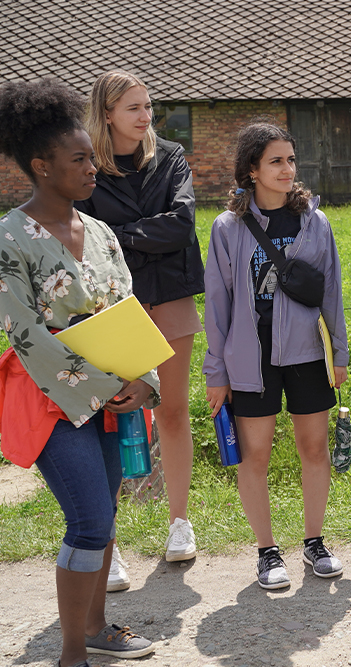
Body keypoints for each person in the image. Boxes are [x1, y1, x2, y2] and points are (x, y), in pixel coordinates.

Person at [0, 78, 160, 666]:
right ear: (41, 167)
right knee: (89, 518)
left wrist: (144, 380)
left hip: (115, 396)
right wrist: (103, 384)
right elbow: (25, 333)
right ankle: (71, 654)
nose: (94, 168)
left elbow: (129, 312)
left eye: (93, 157)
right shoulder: (9, 238)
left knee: (106, 513)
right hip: (51, 398)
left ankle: (96, 628)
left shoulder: (100, 233)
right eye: (79, 160)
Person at [203, 122, 348, 590]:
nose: (287, 169)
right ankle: (266, 551)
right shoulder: (227, 228)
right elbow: (217, 303)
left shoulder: (315, 222)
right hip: (252, 358)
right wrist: (216, 370)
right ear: (252, 169)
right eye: (276, 161)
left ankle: (314, 542)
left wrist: (339, 353)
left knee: (314, 449)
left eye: (291, 160)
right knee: (256, 455)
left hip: (308, 353)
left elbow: (332, 292)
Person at [75, 71, 204, 590]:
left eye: (148, 106)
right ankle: (109, 542)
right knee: (111, 416)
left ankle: (180, 523)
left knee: (172, 410)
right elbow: (82, 235)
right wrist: (143, 236)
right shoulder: (85, 164)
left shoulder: (170, 157)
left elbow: (183, 224)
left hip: (170, 294)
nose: (146, 116)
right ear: (107, 113)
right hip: (112, 305)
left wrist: (119, 236)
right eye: (133, 108)